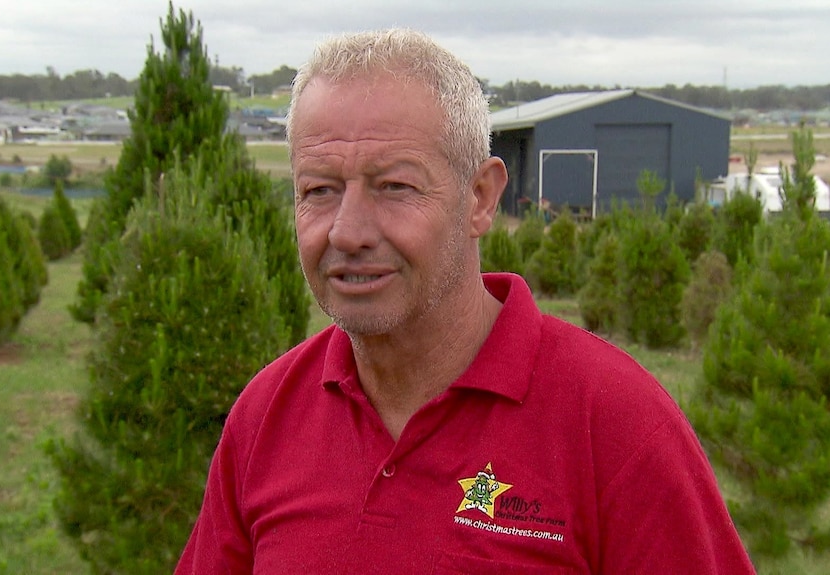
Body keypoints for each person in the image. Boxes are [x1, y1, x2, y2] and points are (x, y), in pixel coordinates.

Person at [175, 28, 755, 574]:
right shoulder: (266, 417)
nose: (346, 232)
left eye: (395, 187)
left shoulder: (615, 425)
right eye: (319, 191)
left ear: (480, 198)